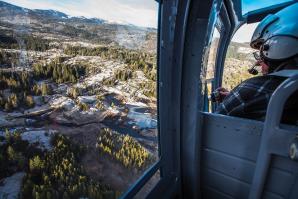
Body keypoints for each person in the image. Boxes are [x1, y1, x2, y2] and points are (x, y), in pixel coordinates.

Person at [214, 3, 298, 123]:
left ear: (280, 47)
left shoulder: (251, 89)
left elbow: (214, 122)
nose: (259, 62)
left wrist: (235, 98)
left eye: (263, 53)